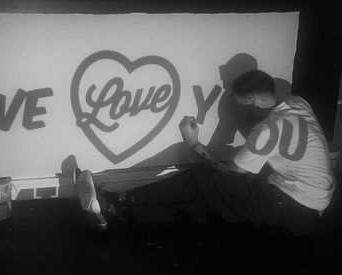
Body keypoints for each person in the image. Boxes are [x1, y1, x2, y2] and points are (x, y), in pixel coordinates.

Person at [75, 69, 335, 235]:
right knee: (212, 200)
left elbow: (230, 173)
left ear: (253, 100)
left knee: (204, 179)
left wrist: (193, 144)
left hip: (295, 205)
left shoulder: (269, 130)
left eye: (239, 104)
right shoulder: (297, 103)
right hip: (308, 207)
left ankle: (119, 200)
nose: (237, 111)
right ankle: (114, 214)